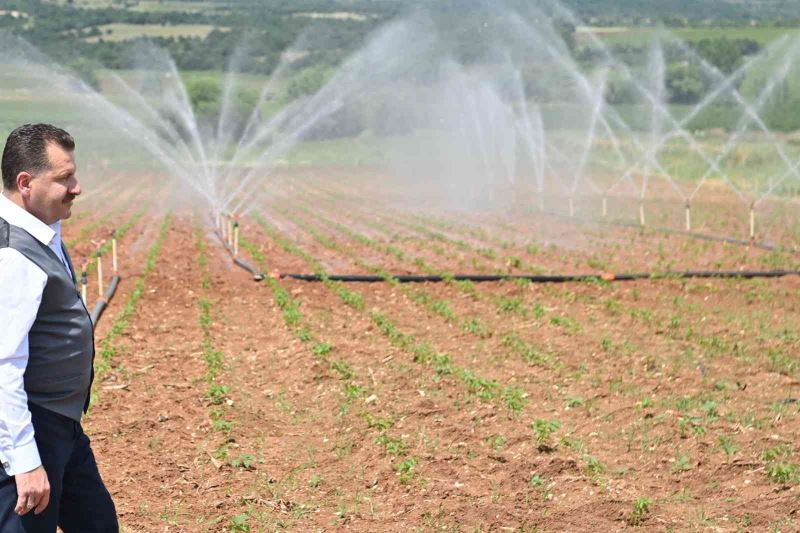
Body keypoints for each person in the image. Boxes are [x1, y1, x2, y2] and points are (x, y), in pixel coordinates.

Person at [0, 124, 118, 532]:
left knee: (98, 524)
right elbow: (3, 364)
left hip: (62, 422)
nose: (77, 187)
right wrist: (26, 460)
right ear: (25, 183)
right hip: (32, 428)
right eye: (64, 178)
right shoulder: (14, 255)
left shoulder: (43, 227)